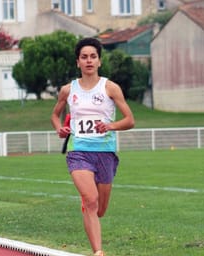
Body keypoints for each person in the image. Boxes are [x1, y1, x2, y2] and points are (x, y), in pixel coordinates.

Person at [51, 38, 135, 256]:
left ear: (99, 61)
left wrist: (109, 125)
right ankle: (98, 251)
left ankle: (90, 207)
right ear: (78, 62)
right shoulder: (68, 90)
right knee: (90, 200)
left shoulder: (110, 88)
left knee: (100, 209)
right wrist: (60, 128)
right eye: (84, 57)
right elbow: (54, 114)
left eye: (93, 56)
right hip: (78, 151)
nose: (89, 61)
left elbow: (130, 120)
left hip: (105, 152)